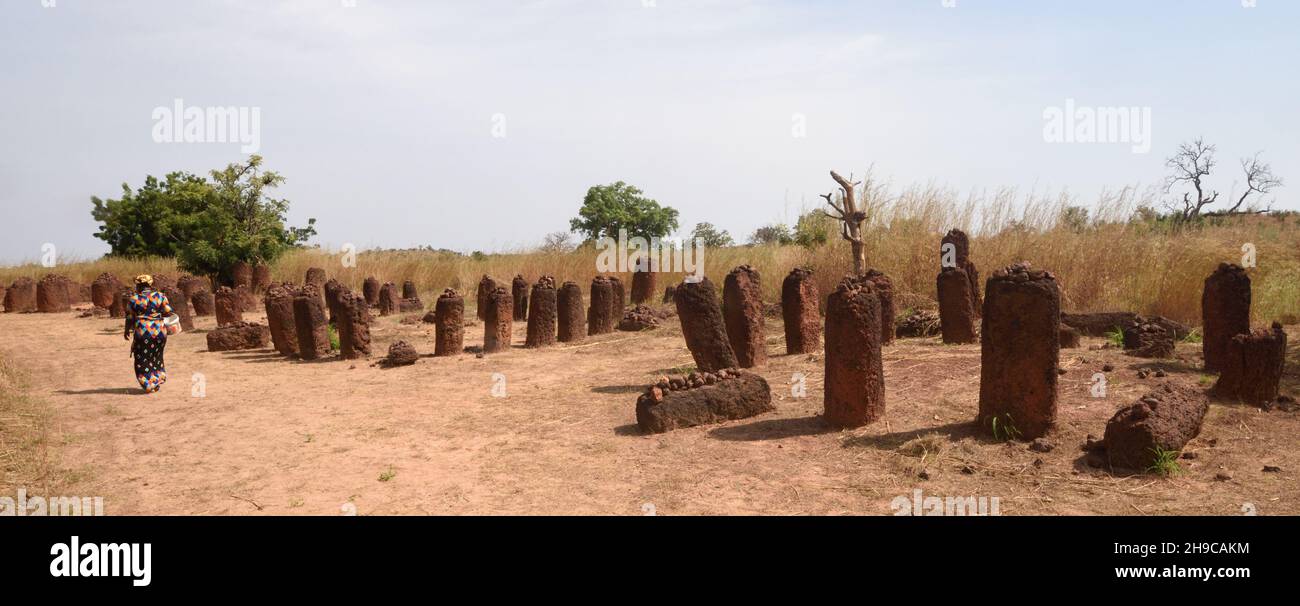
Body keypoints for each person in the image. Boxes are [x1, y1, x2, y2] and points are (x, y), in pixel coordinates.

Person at [123, 275, 174, 393]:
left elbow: (130, 317)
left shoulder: (134, 299)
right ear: (150, 285)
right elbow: (169, 313)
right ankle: (156, 381)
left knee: (142, 358)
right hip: (160, 332)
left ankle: (148, 384)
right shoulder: (161, 296)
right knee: (156, 356)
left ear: (139, 286)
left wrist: (126, 330)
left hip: (143, 333)